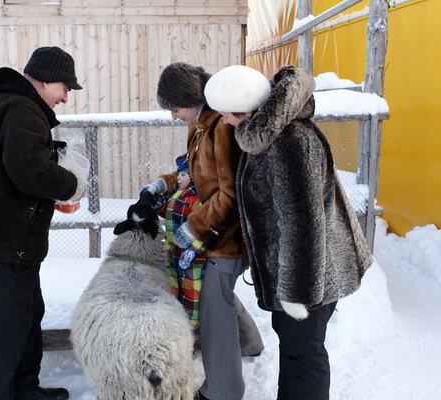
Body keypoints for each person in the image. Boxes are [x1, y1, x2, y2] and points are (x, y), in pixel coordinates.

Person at [204, 64, 373, 400]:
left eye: (227, 114)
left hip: (310, 277)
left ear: (246, 109)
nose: (224, 121)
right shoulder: (268, 136)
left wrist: (296, 292)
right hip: (297, 274)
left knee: (303, 355)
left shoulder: (289, 142)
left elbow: (302, 222)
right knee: (296, 350)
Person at [0, 46, 86, 400]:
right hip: (2, 240)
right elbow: (30, 172)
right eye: (64, 87)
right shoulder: (22, 109)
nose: (65, 97)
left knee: (25, 318)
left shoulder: (6, 103)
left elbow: (14, 166)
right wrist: (71, 186)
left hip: (5, 237)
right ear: (45, 79)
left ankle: (23, 389)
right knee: (4, 328)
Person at [142, 62, 264, 400]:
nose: (173, 116)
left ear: (193, 99)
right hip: (213, 230)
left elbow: (229, 194)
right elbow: (194, 174)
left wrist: (192, 229)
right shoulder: (200, 124)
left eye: (176, 108)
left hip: (227, 238)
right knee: (218, 294)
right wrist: (161, 186)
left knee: (214, 310)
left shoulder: (221, 128)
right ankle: (251, 343)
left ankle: (222, 390)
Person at [154, 154, 206, 326]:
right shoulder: (177, 194)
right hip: (173, 252)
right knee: (174, 287)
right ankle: (176, 322)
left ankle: (193, 326)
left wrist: (195, 248)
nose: (178, 178)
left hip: (191, 257)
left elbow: (204, 226)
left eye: (183, 175)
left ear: (194, 176)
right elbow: (167, 213)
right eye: (178, 174)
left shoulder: (196, 199)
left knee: (192, 292)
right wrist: (155, 200)